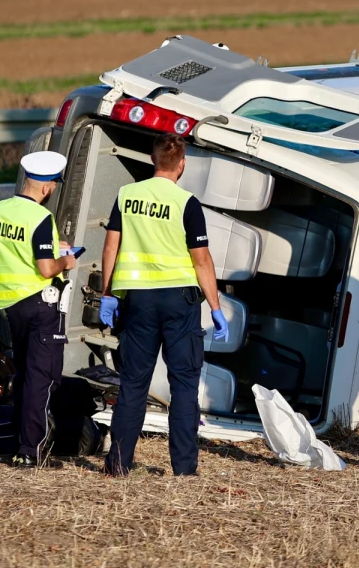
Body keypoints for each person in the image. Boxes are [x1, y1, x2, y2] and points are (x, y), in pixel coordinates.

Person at [99, 133, 228, 477]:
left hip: (137, 300)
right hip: (178, 301)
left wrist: (108, 293)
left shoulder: (127, 195)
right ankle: (184, 469)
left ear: (153, 159)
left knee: (133, 383)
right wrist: (215, 306)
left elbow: (111, 246)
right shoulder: (187, 202)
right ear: (182, 164)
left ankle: (118, 465)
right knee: (184, 384)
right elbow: (201, 260)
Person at [0, 150, 78, 469]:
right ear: (45, 187)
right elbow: (44, 267)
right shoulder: (40, 217)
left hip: (12, 305)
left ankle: (19, 443)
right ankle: (30, 452)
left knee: (25, 375)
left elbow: (17, 250)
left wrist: (54, 247)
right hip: (41, 305)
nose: (52, 190)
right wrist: (67, 259)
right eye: (53, 185)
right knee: (42, 379)